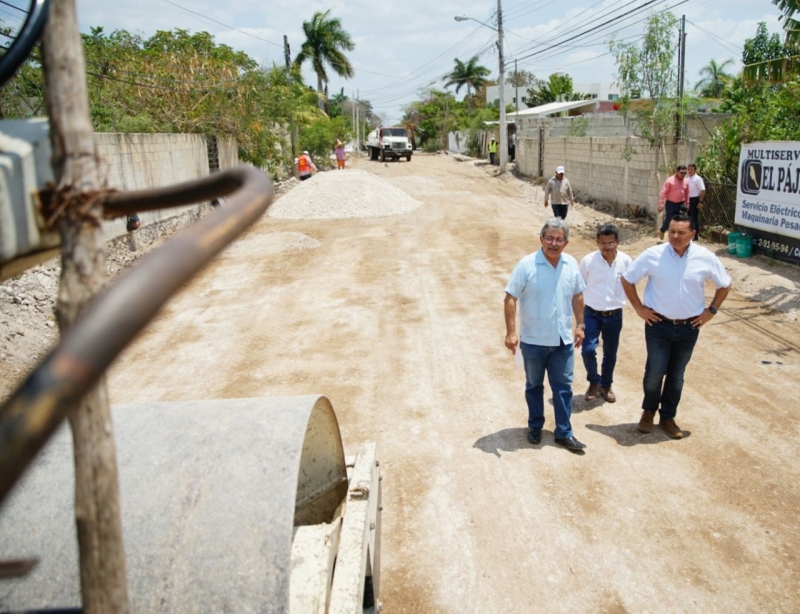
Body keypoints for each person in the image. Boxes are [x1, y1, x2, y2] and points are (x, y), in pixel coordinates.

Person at [621, 212, 731, 439]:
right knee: (654, 372)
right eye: (671, 231)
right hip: (658, 325)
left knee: (676, 374)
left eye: (681, 232)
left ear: (693, 234)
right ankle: (649, 411)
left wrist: (711, 311)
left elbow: (725, 284)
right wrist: (639, 308)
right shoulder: (653, 255)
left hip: (689, 327)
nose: (675, 236)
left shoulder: (705, 257)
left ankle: (668, 417)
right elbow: (627, 278)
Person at [504, 217, 587, 452]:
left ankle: (564, 432)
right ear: (541, 239)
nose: (553, 243)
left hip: (563, 341)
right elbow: (510, 298)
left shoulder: (571, 264)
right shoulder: (527, 265)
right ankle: (535, 426)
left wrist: (580, 325)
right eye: (549, 238)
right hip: (533, 340)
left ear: (566, 243)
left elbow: (578, 295)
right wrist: (511, 332)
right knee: (534, 386)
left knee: (563, 388)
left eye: (559, 239)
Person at [579, 223, 632, 404]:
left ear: (617, 242)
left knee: (610, 353)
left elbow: (630, 284)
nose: (607, 247)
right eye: (603, 243)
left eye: (611, 243)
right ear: (597, 243)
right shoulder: (588, 261)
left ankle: (606, 385)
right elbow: (579, 288)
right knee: (587, 350)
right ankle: (594, 382)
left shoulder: (626, 261)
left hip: (614, 315)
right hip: (591, 314)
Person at [658, 165, 689, 241]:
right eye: (682, 173)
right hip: (671, 204)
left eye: (685, 173)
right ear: (677, 171)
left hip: (681, 204)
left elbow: (687, 193)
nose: (683, 175)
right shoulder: (670, 181)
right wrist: (661, 205)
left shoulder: (686, 181)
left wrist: (687, 204)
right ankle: (662, 230)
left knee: (680, 220)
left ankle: (677, 237)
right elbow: (663, 193)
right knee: (670, 219)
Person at [686, 163, 706, 239]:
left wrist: (701, 201)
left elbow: (703, 191)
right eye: (689, 169)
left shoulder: (698, 179)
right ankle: (689, 233)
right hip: (688, 199)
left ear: (695, 170)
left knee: (694, 218)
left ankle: (695, 236)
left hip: (695, 199)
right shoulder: (687, 179)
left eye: (692, 169)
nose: (690, 171)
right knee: (688, 217)